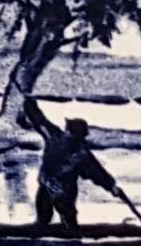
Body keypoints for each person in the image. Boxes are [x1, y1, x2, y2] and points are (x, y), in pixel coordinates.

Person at [21, 97, 125, 228]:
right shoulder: (56, 137)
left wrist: (111, 186)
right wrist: (29, 103)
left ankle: (67, 233)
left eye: (68, 130)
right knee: (45, 217)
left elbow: (98, 173)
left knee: (66, 219)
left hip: (65, 190)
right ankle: (47, 231)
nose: (66, 132)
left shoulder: (80, 153)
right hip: (48, 185)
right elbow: (38, 119)